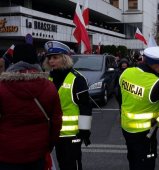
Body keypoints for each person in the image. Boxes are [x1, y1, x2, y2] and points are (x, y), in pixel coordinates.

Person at [0, 43, 63, 170]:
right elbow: (56, 121)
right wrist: (48, 145)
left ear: (14, 61)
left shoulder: (2, 87)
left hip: (7, 153)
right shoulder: (49, 86)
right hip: (38, 152)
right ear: (35, 59)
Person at [119, 46, 159, 170]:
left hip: (126, 127)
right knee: (146, 163)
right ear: (157, 65)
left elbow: (119, 95)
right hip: (146, 133)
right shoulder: (156, 83)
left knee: (133, 158)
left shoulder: (127, 72)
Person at [43, 41, 92, 170]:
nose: (51, 61)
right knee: (61, 164)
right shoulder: (49, 78)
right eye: (49, 58)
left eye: (55, 57)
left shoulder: (77, 79)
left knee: (71, 166)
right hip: (54, 134)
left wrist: (84, 131)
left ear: (65, 59)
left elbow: (85, 107)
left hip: (72, 135)